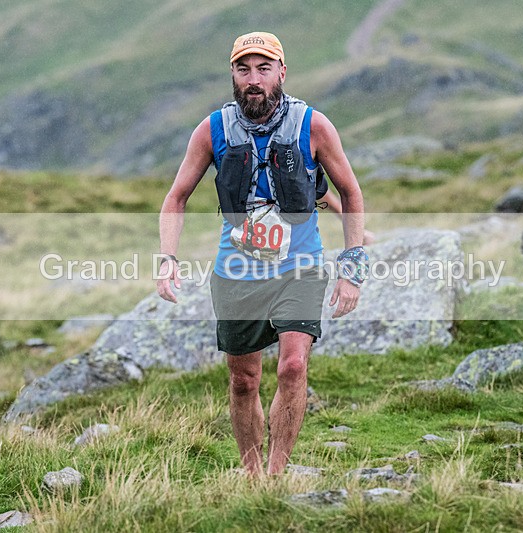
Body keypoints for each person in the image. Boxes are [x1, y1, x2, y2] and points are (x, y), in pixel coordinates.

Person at [156, 31, 367, 476]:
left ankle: (275, 475)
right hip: (236, 270)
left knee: (292, 366)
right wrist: (167, 259)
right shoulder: (211, 130)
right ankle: (251, 476)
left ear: (281, 73)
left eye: (263, 68)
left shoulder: (314, 125)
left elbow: (349, 192)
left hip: (300, 265)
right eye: (243, 69)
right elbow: (176, 197)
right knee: (242, 381)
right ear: (233, 74)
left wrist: (353, 266)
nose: (254, 79)